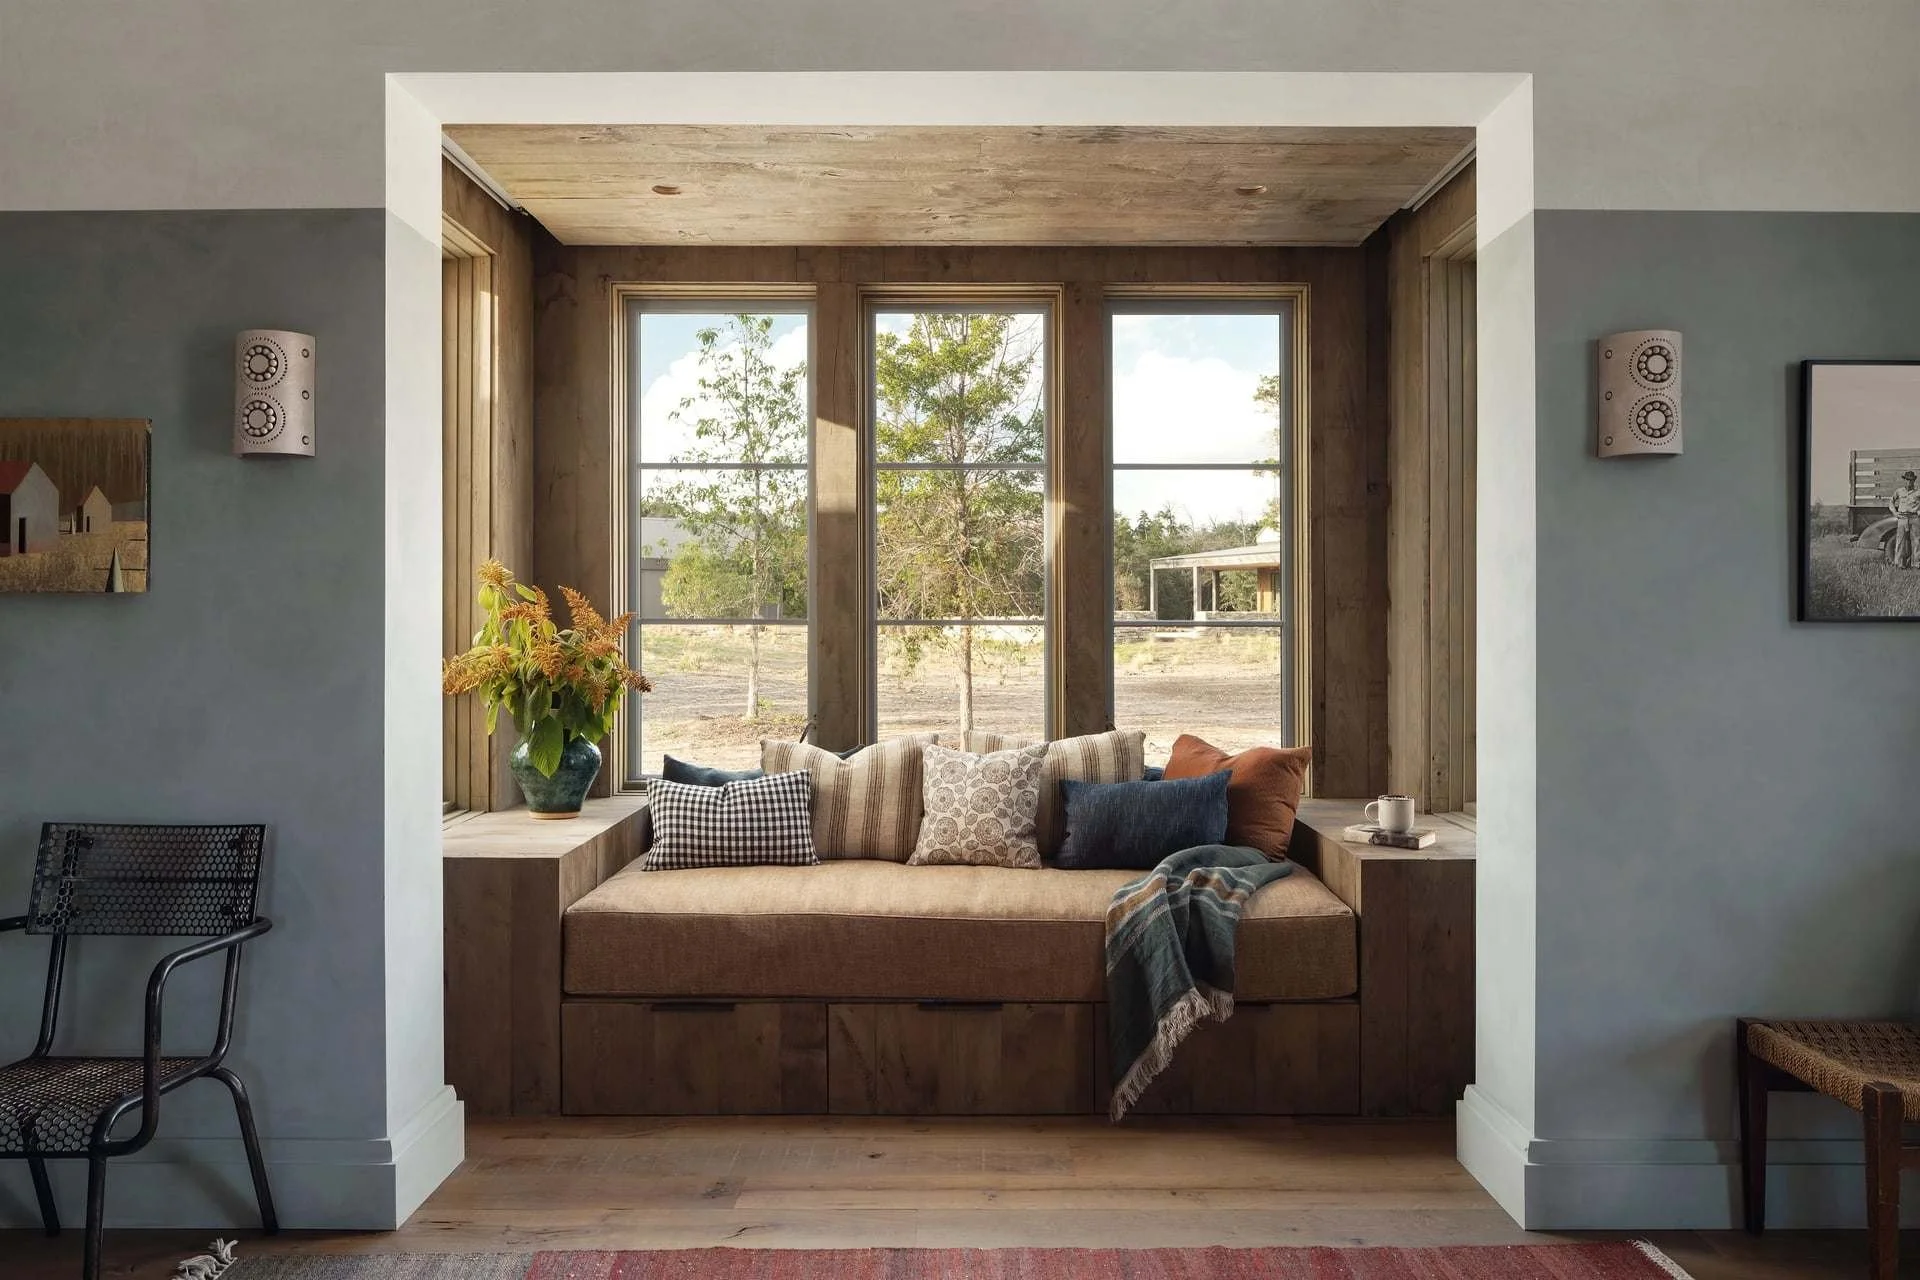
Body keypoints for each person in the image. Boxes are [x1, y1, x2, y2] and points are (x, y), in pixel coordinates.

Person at [1891, 470, 1920, 569]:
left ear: (1914, 481)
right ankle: (1899, 564)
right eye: (1907, 480)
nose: (1909, 482)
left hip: (1914, 518)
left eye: (1911, 480)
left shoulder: (1918, 492)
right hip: (1902, 518)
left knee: (1916, 541)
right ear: (1904, 480)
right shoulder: (1899, 491)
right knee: (1900, 541)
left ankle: (1916, 564)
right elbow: (1891, 502)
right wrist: (1895, 513)